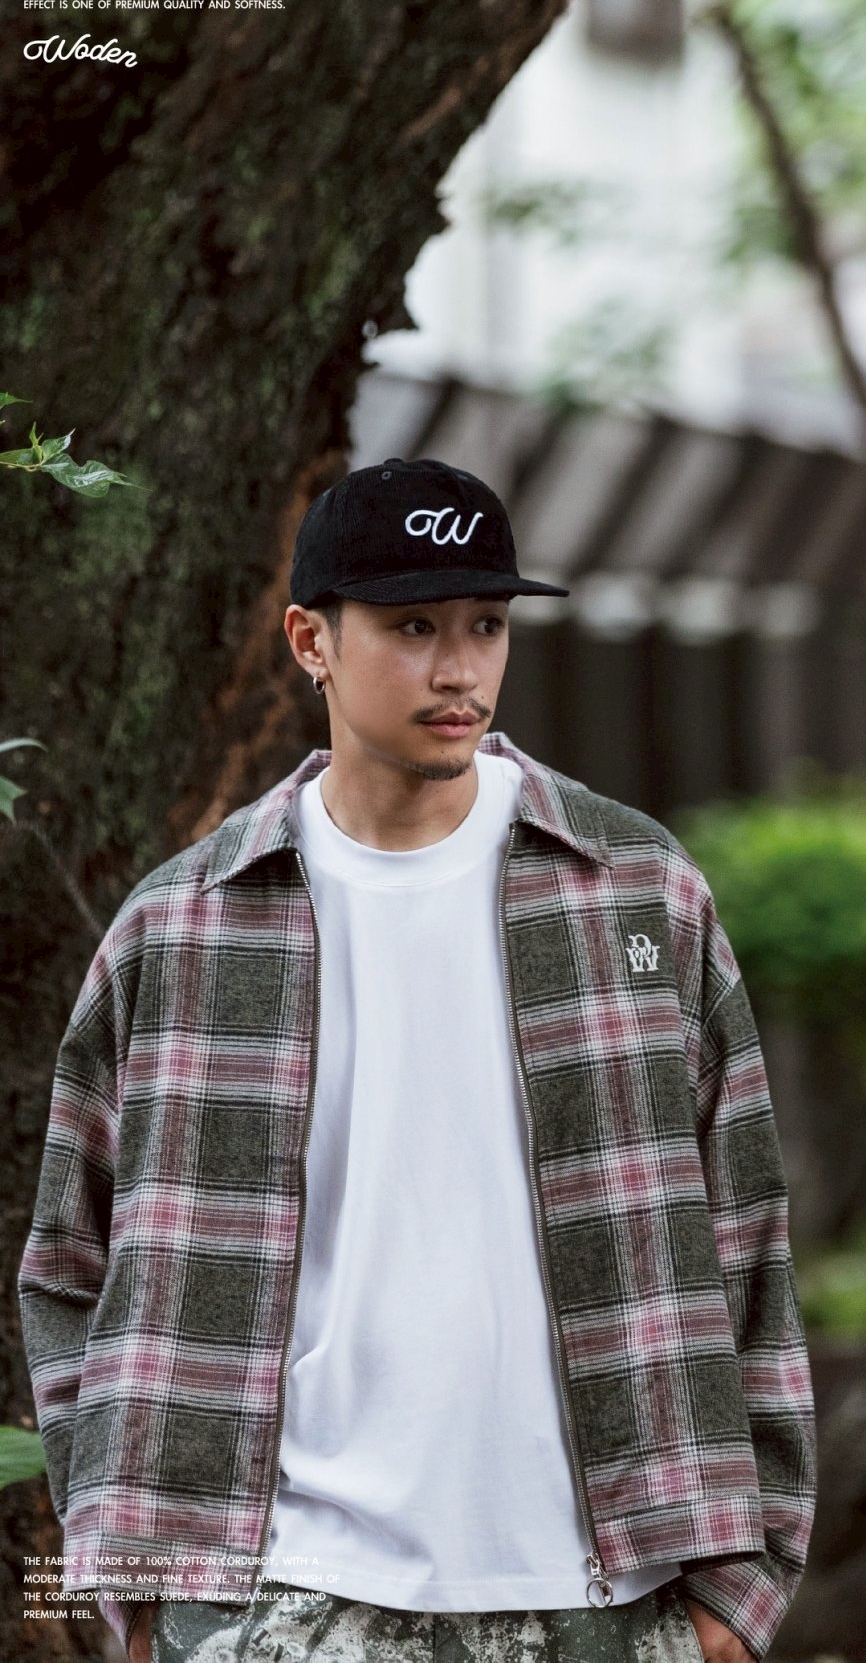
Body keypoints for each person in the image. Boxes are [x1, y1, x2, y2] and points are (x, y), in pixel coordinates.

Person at [20, 458, 816, 1663]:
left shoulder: (635, 890)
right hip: (276, 1594)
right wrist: (137, 1588)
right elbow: (69, 1264)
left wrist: (742, 1591)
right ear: (311, 640)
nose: (459, 669)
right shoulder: (183, 924)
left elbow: (744, 1226)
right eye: (412, 627)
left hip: (611, 1587)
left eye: (485, 624)